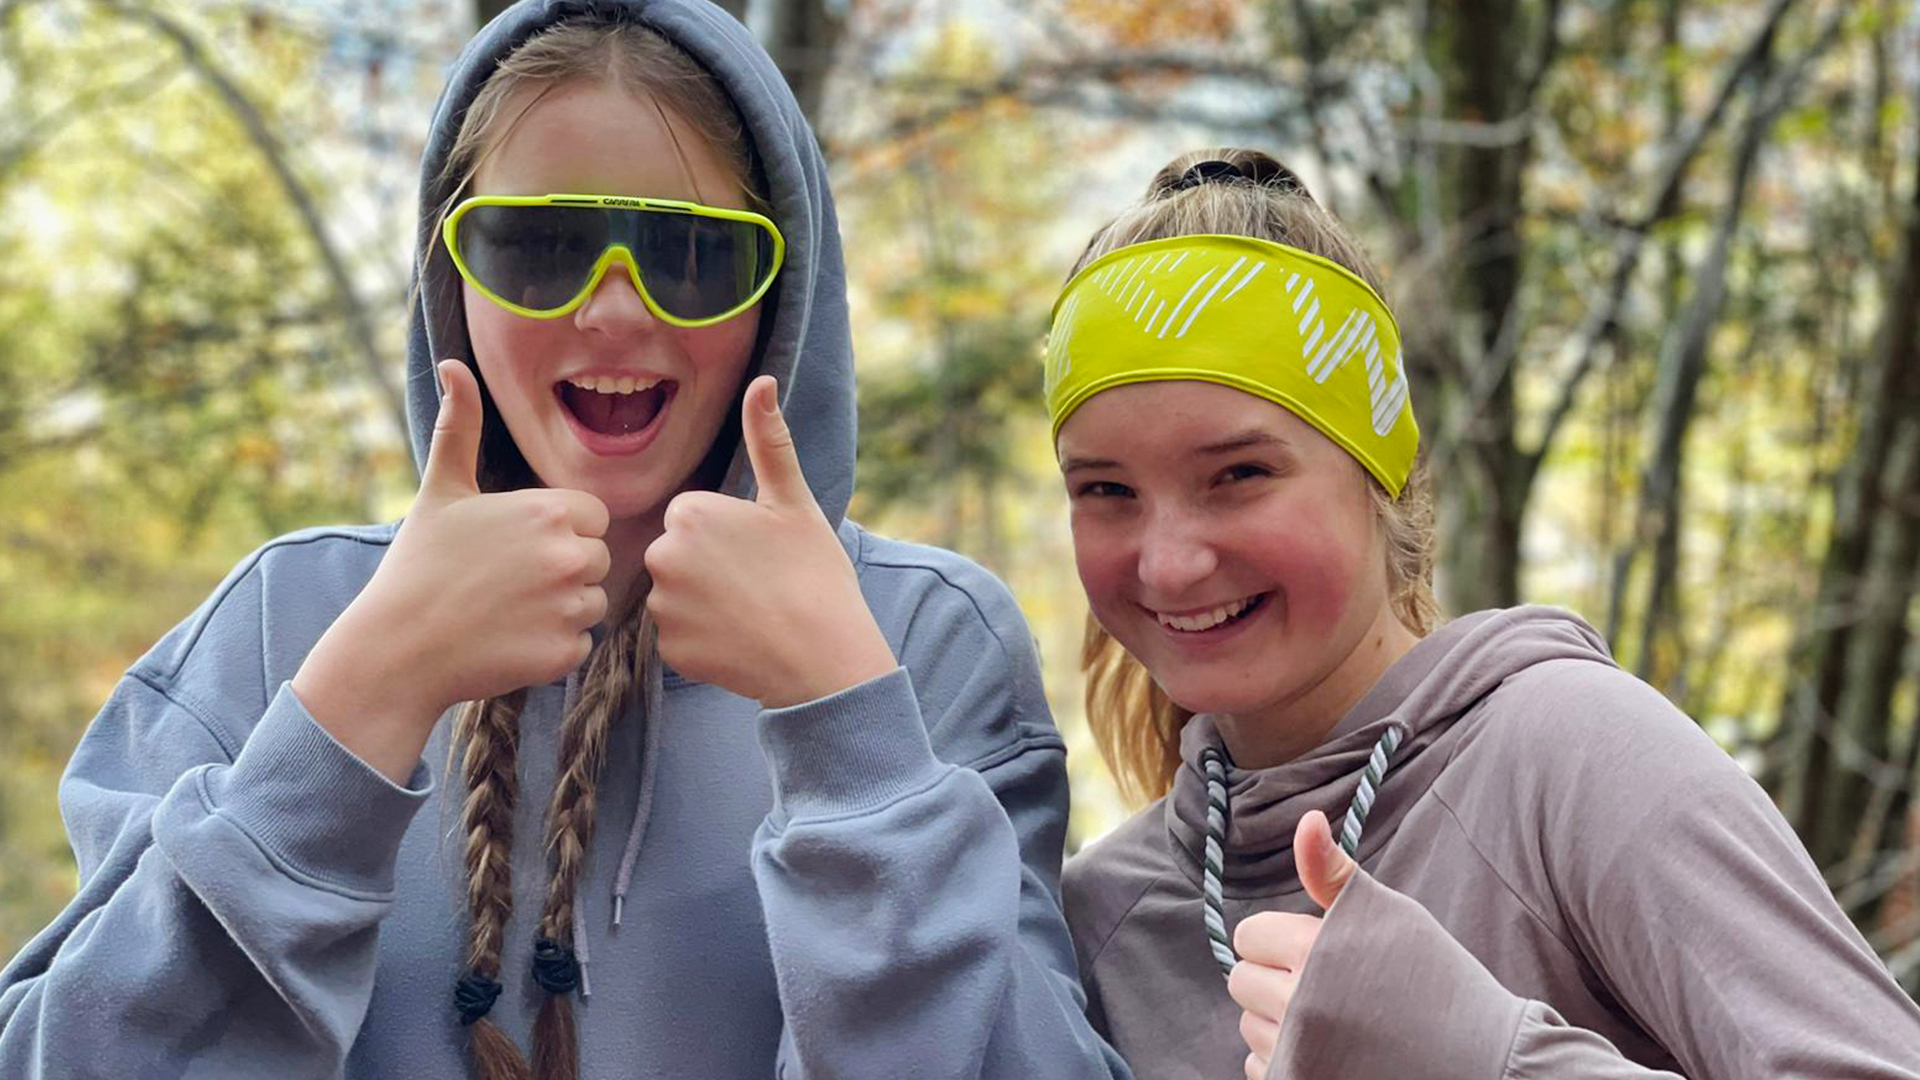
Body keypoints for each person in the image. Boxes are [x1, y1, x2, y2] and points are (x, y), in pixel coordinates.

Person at [0, 3, 1127, 1077]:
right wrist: (360, 701)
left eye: (691, 256)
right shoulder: (280, 622)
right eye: (537, 248)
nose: (615, 311)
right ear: (452, 279)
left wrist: (849, 733)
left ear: (780, 296)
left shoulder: (923, 640)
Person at [1051, 148, 1920, 1079]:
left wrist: (1489, 1059)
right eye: (1107, 490)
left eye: (1240, 473)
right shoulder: (1096, 926)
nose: (1169, 562)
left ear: (1377, 474)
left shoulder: (1571, 759)